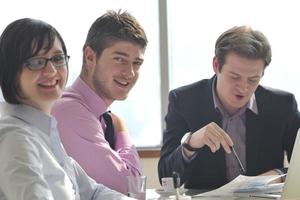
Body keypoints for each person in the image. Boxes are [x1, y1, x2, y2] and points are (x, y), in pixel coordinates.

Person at [0, 18, 133, 200]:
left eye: (57, 59)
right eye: (36, 62)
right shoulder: (15, 138)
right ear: (10, 70)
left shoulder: (45, 132)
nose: (51, 71)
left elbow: (93, 192)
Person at [158, 26, 300, 190]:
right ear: (216, 65)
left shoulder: (282, 105)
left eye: (253, 79)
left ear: (262, 73)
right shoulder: (183, 101)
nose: (243, 88)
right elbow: (166, 180)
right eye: (234, 77)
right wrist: (192, 143)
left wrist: (276, 176)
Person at [52, 10, 148, 194]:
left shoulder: (100, 116)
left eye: (137, 63)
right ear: (90, 57)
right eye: (119, 59)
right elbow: (128, 187)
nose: (130, 73)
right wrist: (122, 129)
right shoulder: (69, 111)